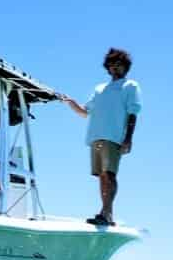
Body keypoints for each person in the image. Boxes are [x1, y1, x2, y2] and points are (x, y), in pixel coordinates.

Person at [59, 48, 142, 226]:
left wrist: (128, 138)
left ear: (125, 67)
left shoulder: (130, 86)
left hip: (113, 137)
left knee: (109, 174)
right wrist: (70, 102)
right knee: (102, 176)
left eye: (118, 65)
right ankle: (105, 213)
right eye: (111, 65)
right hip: (95, 137)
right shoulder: (99, 89)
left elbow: (133, 112)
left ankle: (107, 213)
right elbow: (84, 112)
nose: (115, 68)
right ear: (107, 68)